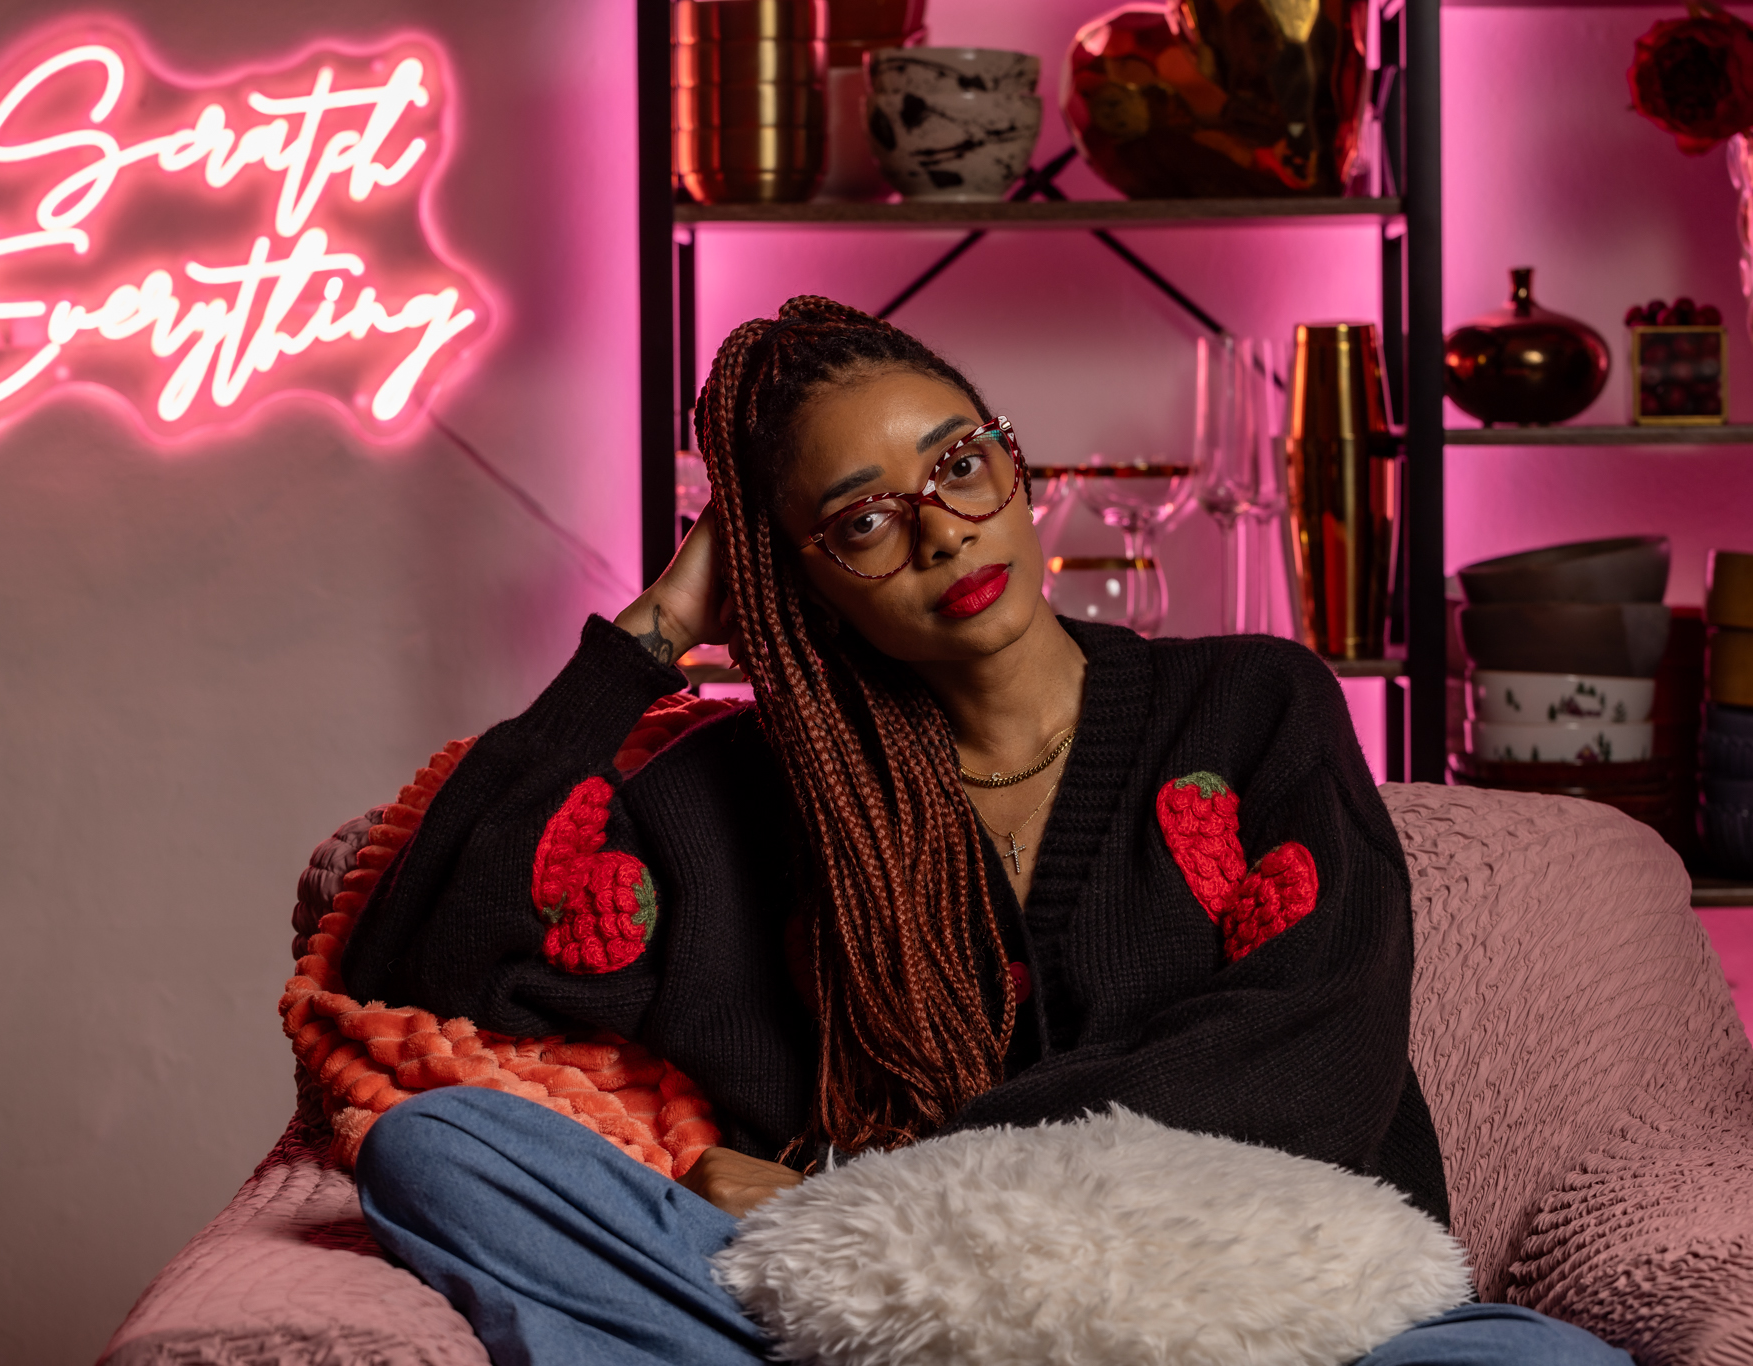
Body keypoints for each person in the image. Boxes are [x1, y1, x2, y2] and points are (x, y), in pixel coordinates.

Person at [342, 297, 1631, 1365]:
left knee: (1547, 1362)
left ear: (1014, 466)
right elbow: (432, 953)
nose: (943, 524)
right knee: (441, 1153)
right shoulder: (738, 798)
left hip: (1251, 1323)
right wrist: (655, 633)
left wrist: (873, 1211)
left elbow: (1309, 1056)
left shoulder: (1250, 706)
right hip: (886, 1335)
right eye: (861, 520)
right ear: (794, 581)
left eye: (959, 461)